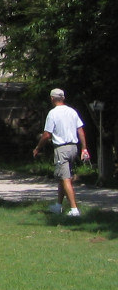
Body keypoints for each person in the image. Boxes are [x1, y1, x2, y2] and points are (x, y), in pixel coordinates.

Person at [32, 88, 91, 218]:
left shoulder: (53, 114)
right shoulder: (72, 112)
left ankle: (74, 209)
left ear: (52, 98)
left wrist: (37, 148)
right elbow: (80, 131)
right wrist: (84, 148)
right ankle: (58, 206)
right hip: (73, 148)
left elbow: (47, 134)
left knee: (65, 178)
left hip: (61, 148)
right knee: (62, 177)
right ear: (63, 98)